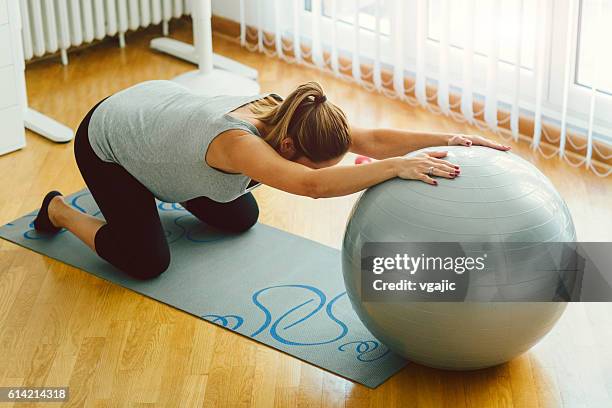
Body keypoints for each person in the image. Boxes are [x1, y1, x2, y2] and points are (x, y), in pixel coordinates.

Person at [33, 80, 510, 280]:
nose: (311, 169)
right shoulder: (240, 145)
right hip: (109, 139)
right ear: (286, 150)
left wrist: (456, 138)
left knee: (240, 216)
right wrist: (397, 168)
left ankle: (158, 184)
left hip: (157, 114)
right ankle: (58, 207)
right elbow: (312, 187)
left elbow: (376, 138)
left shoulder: (297, 120)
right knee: (146, 260)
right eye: (306, 163)